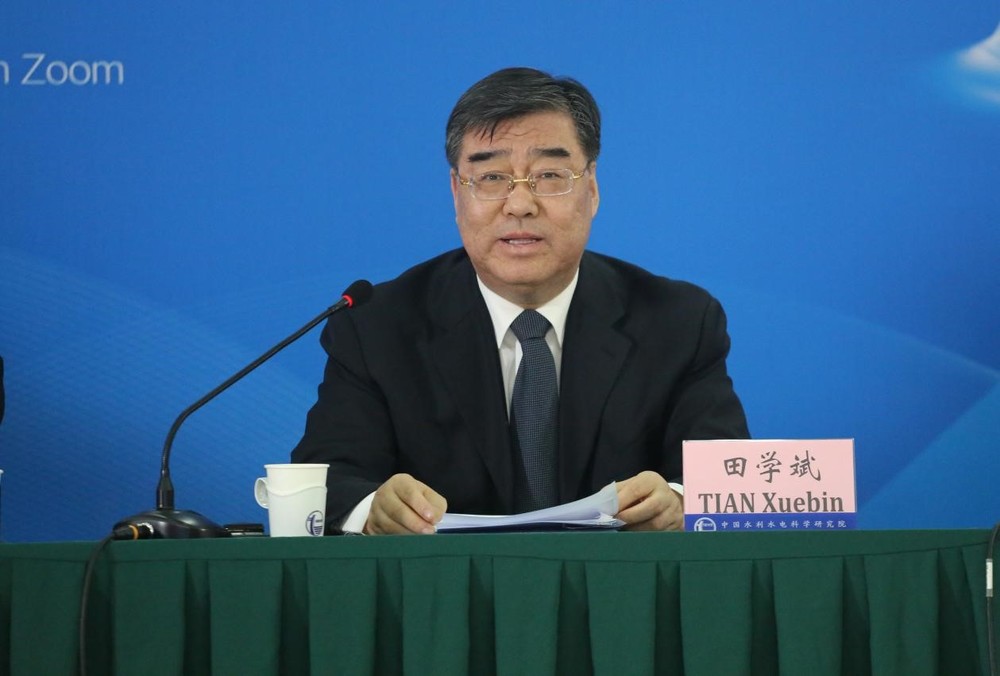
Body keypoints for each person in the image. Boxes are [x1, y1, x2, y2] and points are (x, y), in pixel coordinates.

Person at [292, 67, 749, 535]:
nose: (520, 205)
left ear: (592, 189)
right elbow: (328, 481)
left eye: (549, 175)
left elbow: (728, 476)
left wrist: (679, 503)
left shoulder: (678, 323)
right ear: (456, 193)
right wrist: (373, 510)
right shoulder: (377, 327)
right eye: (491, 177)